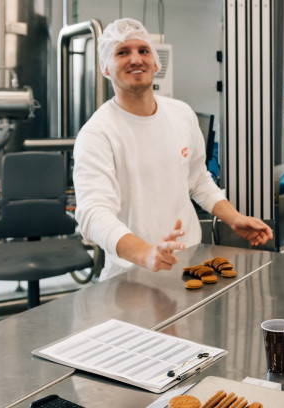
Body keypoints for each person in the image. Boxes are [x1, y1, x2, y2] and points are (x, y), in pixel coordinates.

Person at [73, 18, 272, 280]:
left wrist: (233, 218)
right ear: (105, 67)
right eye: (122, 52)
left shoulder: (181, 114)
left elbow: (198, 179)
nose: (135, 59)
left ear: (156, 62)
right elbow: (92, 214)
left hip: (190, 265)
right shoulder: (97, 133)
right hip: (130, 275)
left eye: (143, 51)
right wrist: (146, 253)